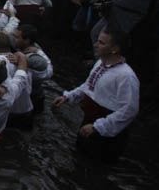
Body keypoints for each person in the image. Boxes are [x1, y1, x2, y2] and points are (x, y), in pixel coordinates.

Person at [53, 28, 139, 163]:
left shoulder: (126, 76)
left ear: (115, 49)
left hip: (107, 131)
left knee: (94, 165)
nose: (96, 44)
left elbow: (129, 110)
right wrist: (68, 97)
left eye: (101, 43)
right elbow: (89, 86)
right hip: (90, 121)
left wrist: (98, 127)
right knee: (79, 157)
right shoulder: (100, 63)